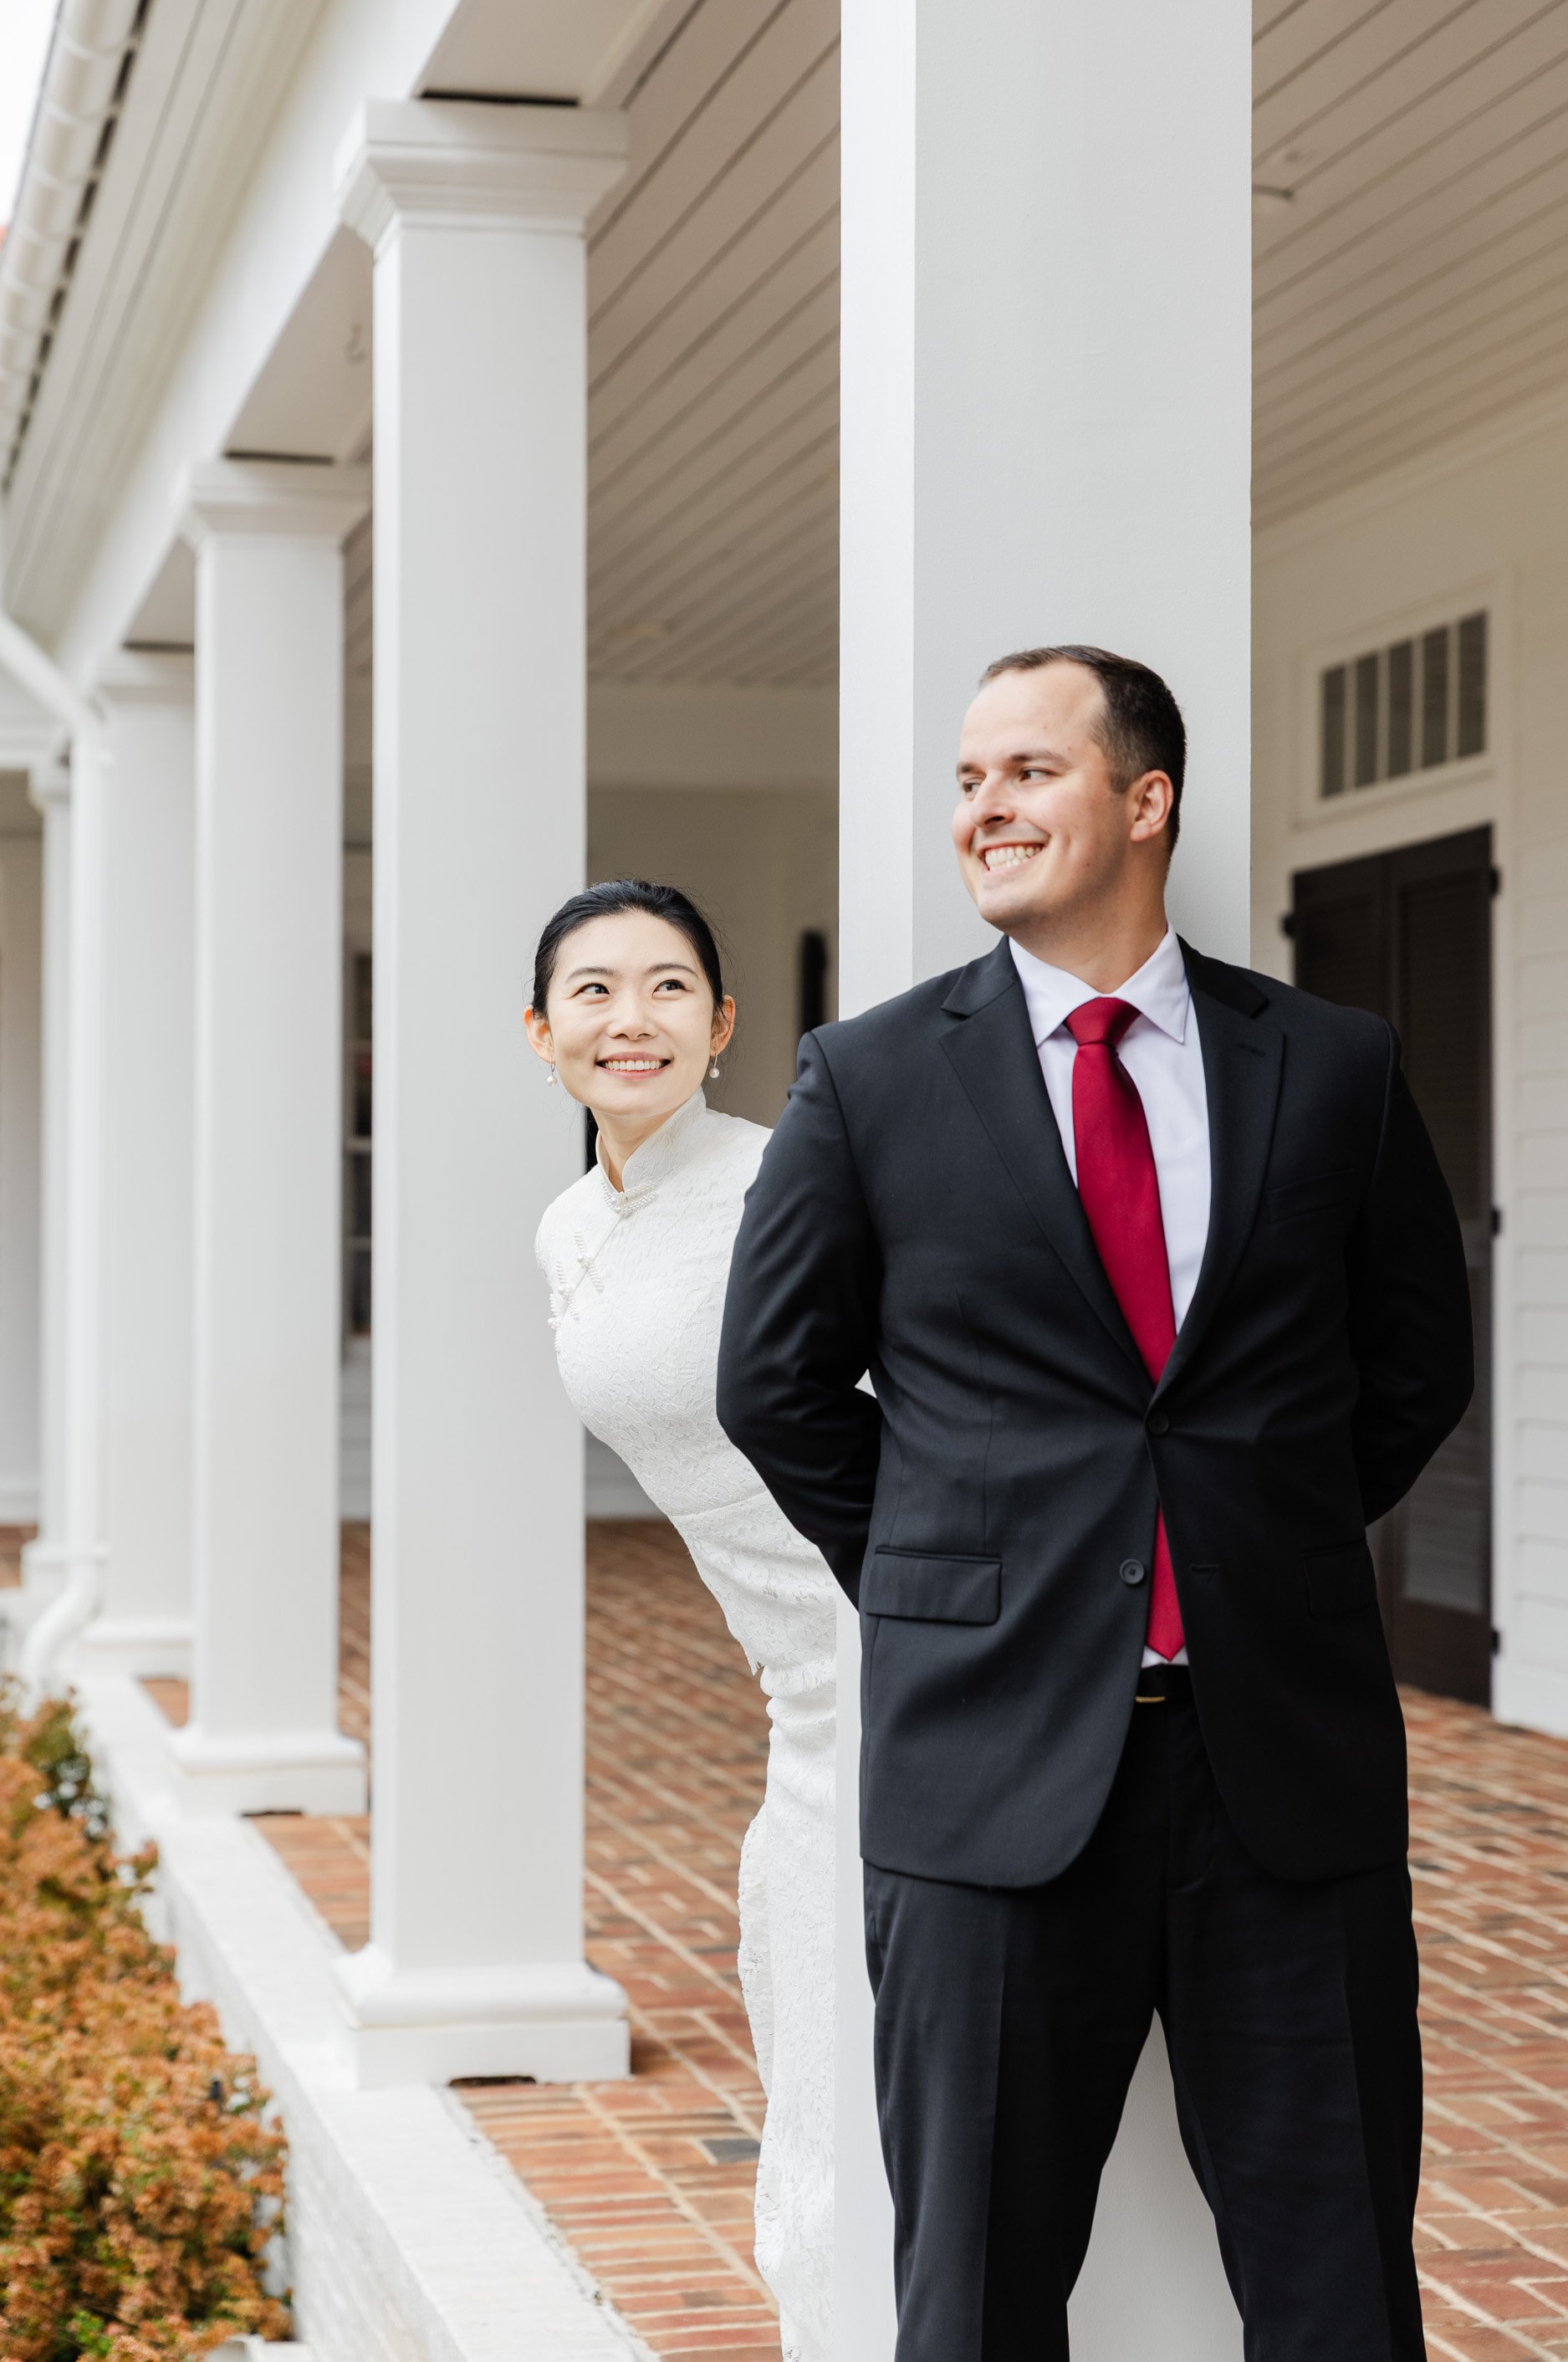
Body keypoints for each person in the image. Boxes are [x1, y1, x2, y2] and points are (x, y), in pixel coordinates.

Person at [717, 647, 1474, 2362]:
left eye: (1028, 771)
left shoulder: (1335, 1067)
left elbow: (1416, 1362)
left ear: (1148, 801)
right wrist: (959, 1580)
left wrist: (1249, 1550)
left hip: (1282, 1774)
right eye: (968, 779)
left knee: (1341, 2284)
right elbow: (775, 1381)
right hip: (986, 1782)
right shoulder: (876, 1078)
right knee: (974, 2299)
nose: (983, 806)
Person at [524, 880, 837, 2362]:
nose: (627, 1018)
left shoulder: (792, 1191)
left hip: (886, 1639)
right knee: (807, 2020)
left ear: (721, 1026)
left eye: (666, 989)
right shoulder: (567, 1226)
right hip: (790, 1678)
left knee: (849, 2042)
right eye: (592, 991)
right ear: (540, 1034)